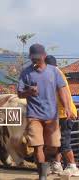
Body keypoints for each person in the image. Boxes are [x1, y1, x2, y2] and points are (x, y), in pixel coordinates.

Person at [17, 44, 76, 180]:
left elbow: (62, 89)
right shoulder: (25, 72)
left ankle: (49, 163)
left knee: (54, 146)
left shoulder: (54, 72)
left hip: (52, 116)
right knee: (38, 147)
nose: (34, 60)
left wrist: (67, 107)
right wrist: (28, 92)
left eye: (37, 58)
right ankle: (42, 175)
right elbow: (20, 94)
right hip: (34, 116)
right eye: (32, 58)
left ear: (44, 56)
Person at [45, 55, 79, 176]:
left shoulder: (54, 74)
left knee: (64, 141)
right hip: (60, 114)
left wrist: (67, 109)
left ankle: (72, 166)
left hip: (65, 113)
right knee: (57, 140)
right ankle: (57, 164)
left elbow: (62, 93)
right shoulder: (56, 73)